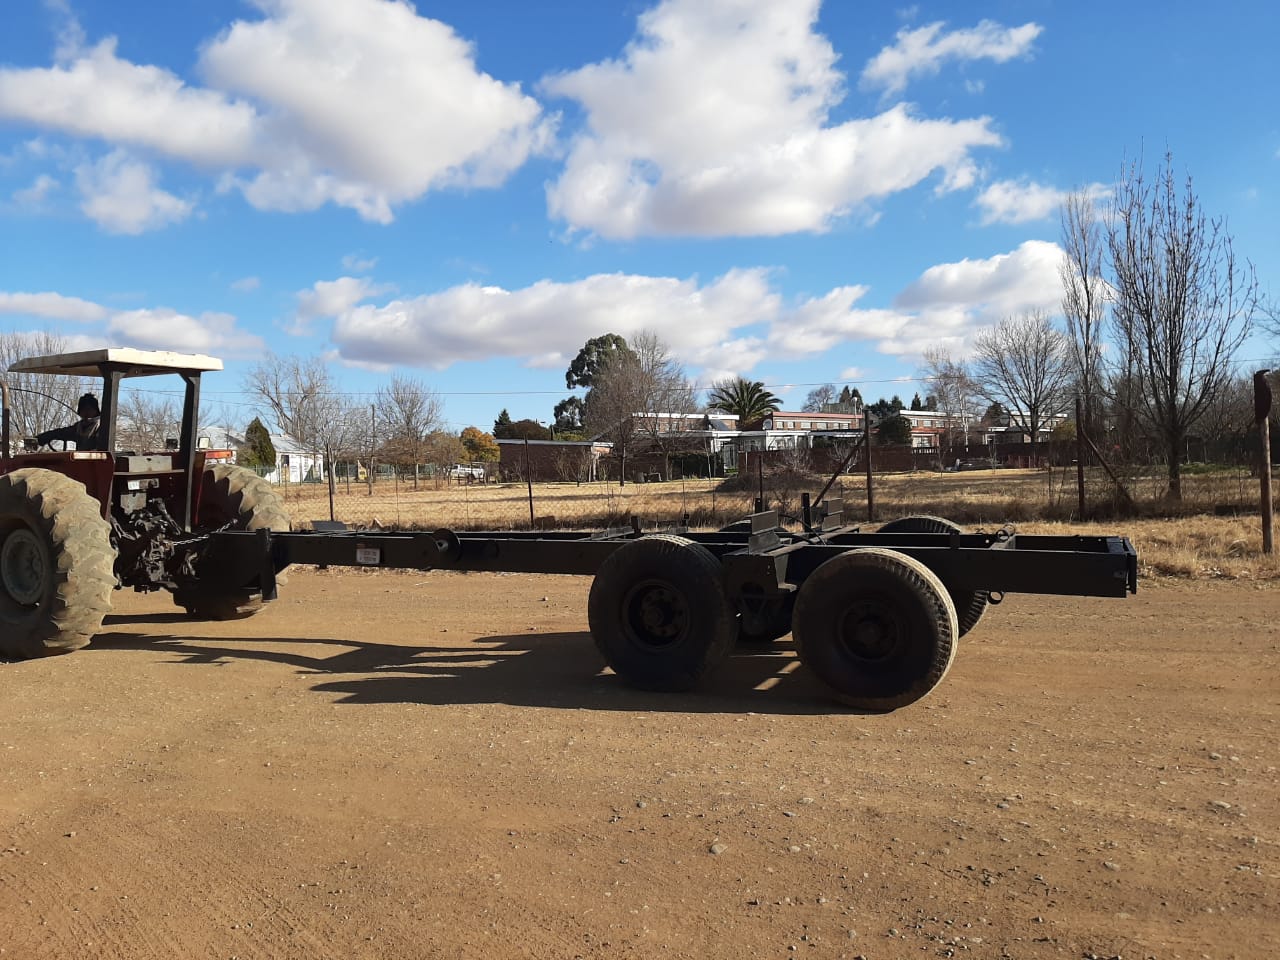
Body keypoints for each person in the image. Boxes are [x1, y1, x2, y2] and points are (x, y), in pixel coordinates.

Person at [37, 393, 103, 450]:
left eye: (89, 409)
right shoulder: (78, 427)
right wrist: (42, 438)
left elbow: (101, 450)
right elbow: (61, 433)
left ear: (96, 411)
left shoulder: (101, 426)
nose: (86, 412)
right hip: (80, 462)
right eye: (83, 409)